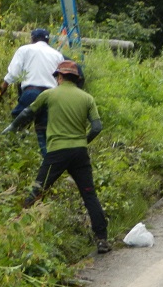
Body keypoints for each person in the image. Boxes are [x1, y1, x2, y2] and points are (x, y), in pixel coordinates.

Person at [7, 60, 110, 254]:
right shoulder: (87, 98)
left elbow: (28, 112)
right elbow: (97, 127)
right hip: (79, 153)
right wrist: (83, 141)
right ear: (76, 79)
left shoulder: (49, 94)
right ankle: (102, 240)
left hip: (56, 153)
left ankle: (15, 232)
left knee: (37, 191)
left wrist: (12, 127)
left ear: (60, 77)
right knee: (89, 195)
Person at [0, 28, 65, 158]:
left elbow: (13, 74)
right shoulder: (57, 55)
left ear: (32, 39)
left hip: (31, 93)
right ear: (48, 40)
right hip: (51, 96)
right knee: (43, 131)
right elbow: (60, 79)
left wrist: (1, 91)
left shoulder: (24, 50)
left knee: (17, 123)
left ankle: (11, 155)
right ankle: (49, 163)